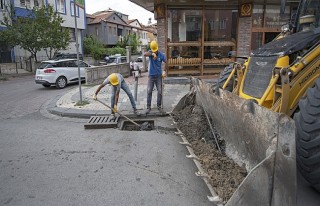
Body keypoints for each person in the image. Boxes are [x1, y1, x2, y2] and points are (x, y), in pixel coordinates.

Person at [144, 41, 167, 113]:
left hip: (158, 76)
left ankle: (159, 106)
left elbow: (167, 61)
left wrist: (164, 71)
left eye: (155, 50)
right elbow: (144, 54)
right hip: (151, 76)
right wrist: (152, 53)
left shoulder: (161, 55)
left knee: (160, 91)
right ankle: (148, 107)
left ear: (157, 48)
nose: (155, 51)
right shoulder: (150, 53)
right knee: (149, 91)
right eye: (154, 50)